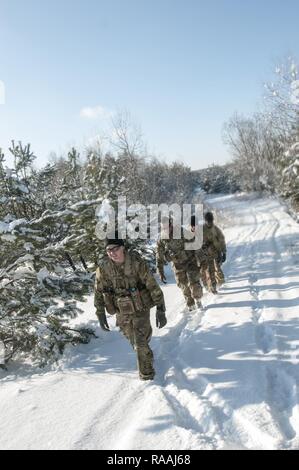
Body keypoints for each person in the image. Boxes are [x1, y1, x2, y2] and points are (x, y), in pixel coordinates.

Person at [94, 235, 167, 381]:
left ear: (123, 248)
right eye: (108, 250)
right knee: (133, 340)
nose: (112, 253)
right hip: (122, 310)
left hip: (141, 308)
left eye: (115, 249)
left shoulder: (136, 263)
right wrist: (100, 313)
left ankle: (147, 377)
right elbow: (98, 291)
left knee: (140, 342)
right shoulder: (104, 268)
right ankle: (146, 354)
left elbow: (152, 285)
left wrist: (160, 309)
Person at [156, 217, 203, 311]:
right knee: (183, 285)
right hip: (177, 265)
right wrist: (160, 271)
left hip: (190, 261)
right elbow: (158, 255)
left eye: (166, 227)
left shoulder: (181, 232)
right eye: (163, 228)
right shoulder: (162, 239)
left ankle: (198, 300)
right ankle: (190, 304)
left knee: (194, 282)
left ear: (171, 225)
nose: (165, 230)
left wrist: (200, 259)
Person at [202, 212, 226, 291]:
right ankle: (213, 287)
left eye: (211, 221)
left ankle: (220, 284)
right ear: (205, 221)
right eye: (208, 221)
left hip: (216, 253)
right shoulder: (202, 230)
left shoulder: (216, 229)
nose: (209, 223)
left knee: (217, 269)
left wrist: (224, 252)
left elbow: (222, 240)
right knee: (209, 271)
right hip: (206, 254)